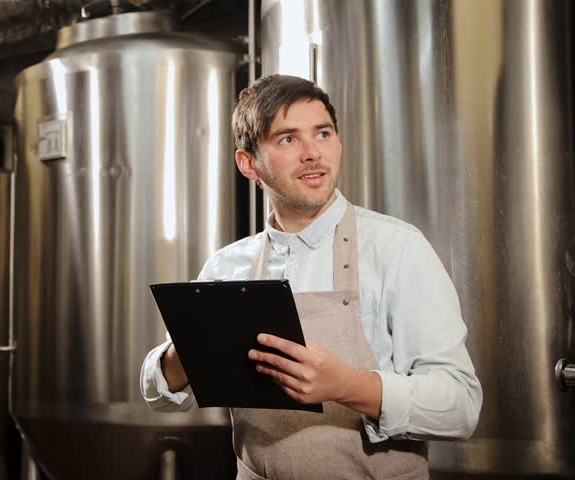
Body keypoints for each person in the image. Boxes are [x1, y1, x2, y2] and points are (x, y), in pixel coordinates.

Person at [139, 75, 482, 479]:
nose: (312, 153)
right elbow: (158, 396)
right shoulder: (227, 267)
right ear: (249, 163)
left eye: (322, 133)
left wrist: (347, 386)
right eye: (287, 139)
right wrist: (188, 348)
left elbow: (461, 407)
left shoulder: (397, 249)